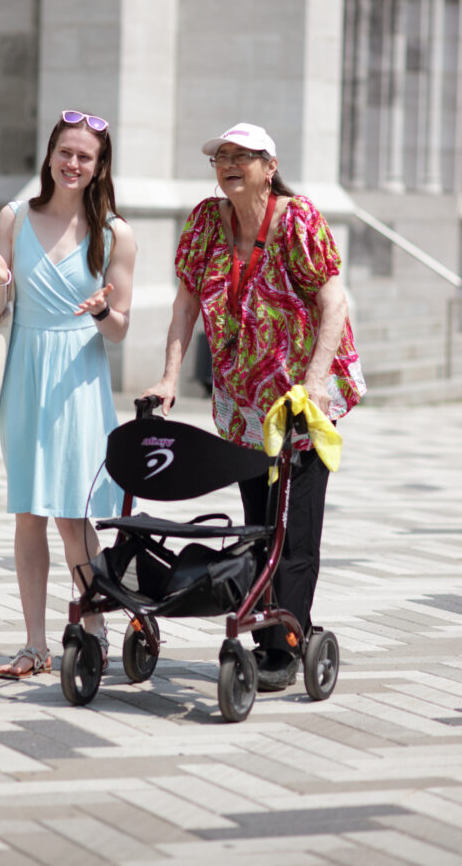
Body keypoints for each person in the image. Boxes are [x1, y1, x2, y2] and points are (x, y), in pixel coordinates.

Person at [144, 122, 365, 691]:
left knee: (295, 525)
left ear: (270, 167)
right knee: (259, 524)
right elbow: (186, 303)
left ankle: (285, 643)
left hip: (300, 397)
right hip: (243, 403)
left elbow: (333, 298)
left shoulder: (298, 217)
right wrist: (169, 378)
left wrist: (315, 382)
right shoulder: (205, 222)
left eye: (245, 155)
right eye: (221, 155)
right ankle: (273, 628)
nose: (229, 163)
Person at [0, 110, 137, 679]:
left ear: (98, 168)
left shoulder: (116, 232)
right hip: (26, 375)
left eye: (85, 157)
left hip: (78, 380)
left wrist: (102, 312)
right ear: (49, 156)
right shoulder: (14, 219)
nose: (73, 163)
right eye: (65, 153)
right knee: (27, 513)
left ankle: (95, 630)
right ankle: (34, 644)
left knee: (73, 515)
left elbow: (120, 330)